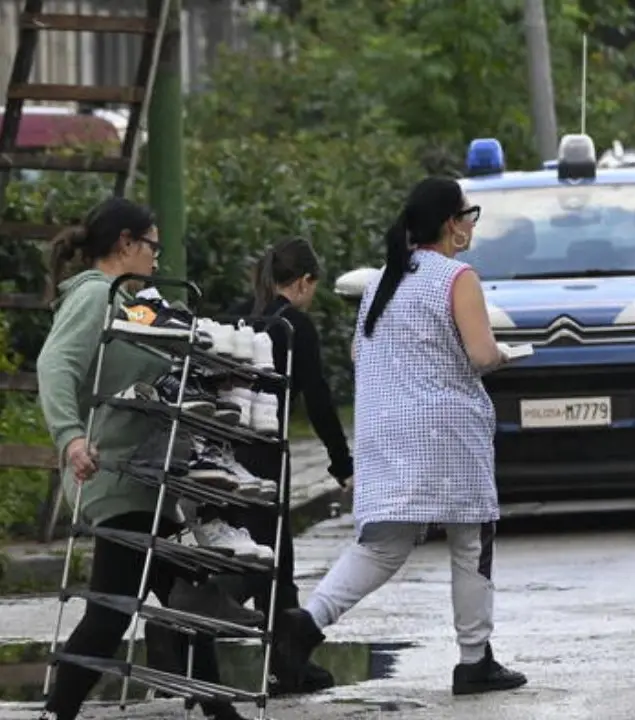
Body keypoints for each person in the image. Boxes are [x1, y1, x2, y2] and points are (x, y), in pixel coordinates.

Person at [271, 176, 527, 697]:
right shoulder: (458, 278)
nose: (471, 224)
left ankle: (306, 623)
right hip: (446, 433)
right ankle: (474, 659)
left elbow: (362, 357)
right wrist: (504, 355)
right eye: (468, 214)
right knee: (471, 540)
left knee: (382, 545)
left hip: (386, 431)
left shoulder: (383, 282)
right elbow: (481, 356)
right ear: (451, 224)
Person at [36, 197, 254, 720]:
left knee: (189, 594)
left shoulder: (126, 301)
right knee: (111, 614)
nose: (157, 257)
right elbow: (54, 365)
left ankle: (219, 711)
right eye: (152, 245)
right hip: (114, 476)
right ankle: (56, 712)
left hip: (143, 478)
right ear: (126, 244)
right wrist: (70, 438)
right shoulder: (95, 295)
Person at [227, 237, 353, 694]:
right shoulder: (294, 326)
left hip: (222, 448)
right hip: (264, 450)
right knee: (266, 555)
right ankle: (188, 632)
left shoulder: (239, 315)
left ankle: (286, 659)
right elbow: (318, 399)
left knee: (261, 550)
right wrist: (342, 463)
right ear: (303, 282)